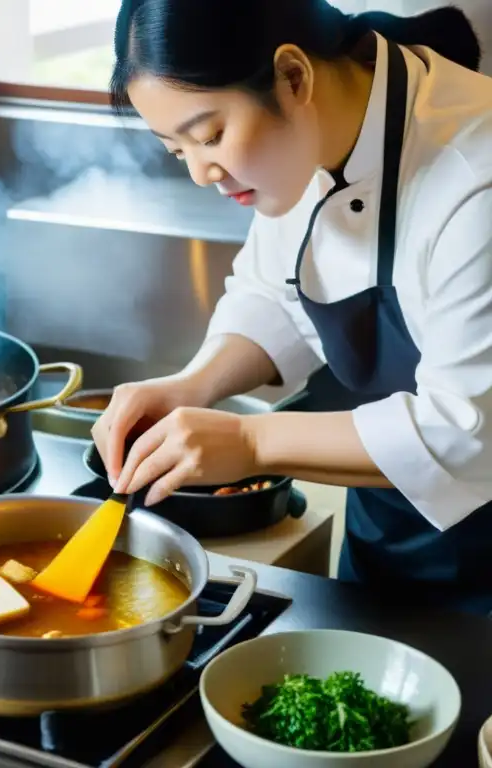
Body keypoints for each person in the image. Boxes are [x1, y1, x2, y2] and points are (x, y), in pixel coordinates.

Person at [96, 0, 492, 612]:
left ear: (293, 76)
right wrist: (191, 384)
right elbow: (275, 293)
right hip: (384, 537)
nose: (202, 172)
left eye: (210, 136)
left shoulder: (475, 174)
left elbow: (466, 433)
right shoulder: (306, 139)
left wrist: (250, 444)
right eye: (177, 152)